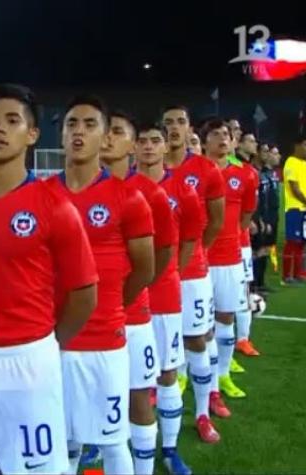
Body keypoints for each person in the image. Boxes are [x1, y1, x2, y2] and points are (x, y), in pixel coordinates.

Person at [0, 84, 98, 475]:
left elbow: (84, 293)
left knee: (36, 469)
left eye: (12, 120)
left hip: (30, 359)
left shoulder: (55, 206)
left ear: (32, 135)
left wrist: (46, 346)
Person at [47, 95, 155, 475]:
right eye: (71, 124)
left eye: (89, 125)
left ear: (105, 136)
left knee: (112, 438)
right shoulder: (42, 195)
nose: (79, 132)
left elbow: (145, 269)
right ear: (60, 134)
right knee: (63, 439)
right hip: (52, 339)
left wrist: (108, 305)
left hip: (105, 341)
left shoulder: (128, 197)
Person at [101, 111, 175, 475]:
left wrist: (124, 298)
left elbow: (160, 257)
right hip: (79, 323)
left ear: (131, 145)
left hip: (131, 318)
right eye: (106, 130)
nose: (106, 137)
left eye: (117, 132)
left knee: (137, 396)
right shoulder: (66, 191)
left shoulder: (148, 194)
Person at [135, 123, 202, 475]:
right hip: (125, 300)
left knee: (166, 373)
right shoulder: (120, 187)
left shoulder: (183, 189)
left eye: (155, 141)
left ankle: (170, 450)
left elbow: (191, 240)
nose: (148, 147)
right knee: (124, 380)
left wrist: (167, 272)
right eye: (142, 141)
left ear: (166, 147)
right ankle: (104, 445)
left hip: (164, 297)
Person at [162, 106, 225, 443]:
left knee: (196, 340)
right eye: (168, 122)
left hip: (192, 272)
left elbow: (214, 221)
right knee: (159, 350)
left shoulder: (205, 169)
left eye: (181, 121)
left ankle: (202, 413)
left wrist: (195, 253)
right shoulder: (143, 171)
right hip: (155, 276)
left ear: (190, 130)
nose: (174, 127)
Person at [200, 119, 256, 406]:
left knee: (225, 318)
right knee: (199, 326)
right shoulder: (194, 173)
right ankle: (197, 377)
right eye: (215, 134)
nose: (222, 138)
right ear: (204, 141)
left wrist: (229, 238)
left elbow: (246, 218)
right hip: (197, 260)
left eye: (226, 134)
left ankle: (222, 376)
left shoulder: (246, 175)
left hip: (229, 259)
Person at [234, 132, 261, 358]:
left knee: (243, 292)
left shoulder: (248, 172)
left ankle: (242, 339)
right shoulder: (205, 170)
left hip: (239, 243)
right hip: (209, 247)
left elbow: (248, 209)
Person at [282, 137, 306, 284]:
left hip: (305, 209)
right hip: (294, 208)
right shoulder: (291, 162)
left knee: (302, 242)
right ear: (297, 145)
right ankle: (287, 276)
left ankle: (298, 273)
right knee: (293, 243)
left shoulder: (305, 164)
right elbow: (295, 188)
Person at [252, 144, 279, 294]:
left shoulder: (266, 173)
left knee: (265, 249)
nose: (267, 154)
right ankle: (255, 284)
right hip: (260, 218)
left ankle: (260, 282)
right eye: (264, 151)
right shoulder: (254, 172)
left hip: (270, 216)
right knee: (257, 250)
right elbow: (257, 200)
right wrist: (261, 219)